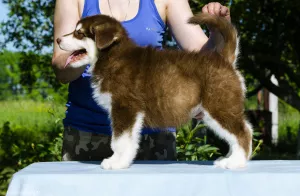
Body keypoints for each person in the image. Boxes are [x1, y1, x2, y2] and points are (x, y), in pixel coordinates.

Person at [51, 0, 231, 161]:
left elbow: (203, 58)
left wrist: (218, 33)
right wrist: (89, 49)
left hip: (154, 136)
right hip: (86, 134)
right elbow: (62, 72)